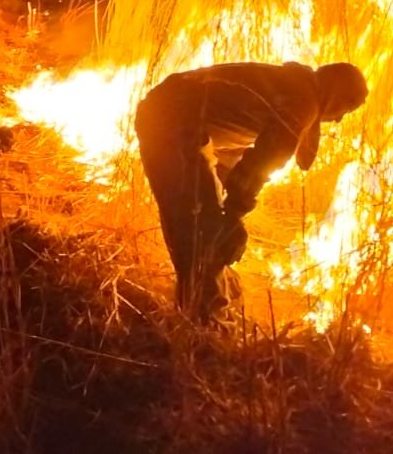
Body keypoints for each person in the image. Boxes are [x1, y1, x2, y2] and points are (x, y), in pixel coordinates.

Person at [133, 60, 368, 323]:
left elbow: (233, 155)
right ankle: (201, 326)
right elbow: (266, 159)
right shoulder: (302, 102)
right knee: (201, 230)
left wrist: (224, 207)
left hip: (174, 117)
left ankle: (215, 303)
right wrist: (232, 214)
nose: (338, 119)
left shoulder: (291, 89)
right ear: (335, 91)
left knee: (207, 227)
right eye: (346, 108)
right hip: (170, 121)